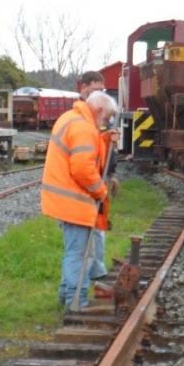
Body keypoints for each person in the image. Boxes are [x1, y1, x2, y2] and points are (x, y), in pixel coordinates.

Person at [41, 90, 118, 310]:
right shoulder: (83, 127)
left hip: (64, 198)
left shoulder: (71, 118)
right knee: (78, 254)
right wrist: (101, 192)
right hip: (74, 200)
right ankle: (77, 302)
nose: (104, 123)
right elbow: (83, 168)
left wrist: (104, 138)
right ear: (99, 110)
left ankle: (66, 295)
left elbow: (85, 148)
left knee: (73, 251)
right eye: (105, 119)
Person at [77, 71, 118, 285]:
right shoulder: (80, 118)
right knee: (87, 231)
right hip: (86, 184)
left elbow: (102, 149)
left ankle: (97, 268)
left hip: (97, 178)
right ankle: (90, 274)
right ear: (83, 88)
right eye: (94, 90)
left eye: (101, 91)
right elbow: (83, 159)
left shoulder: (98, 118)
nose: (98, 94)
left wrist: (111, 173)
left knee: (98, 227)